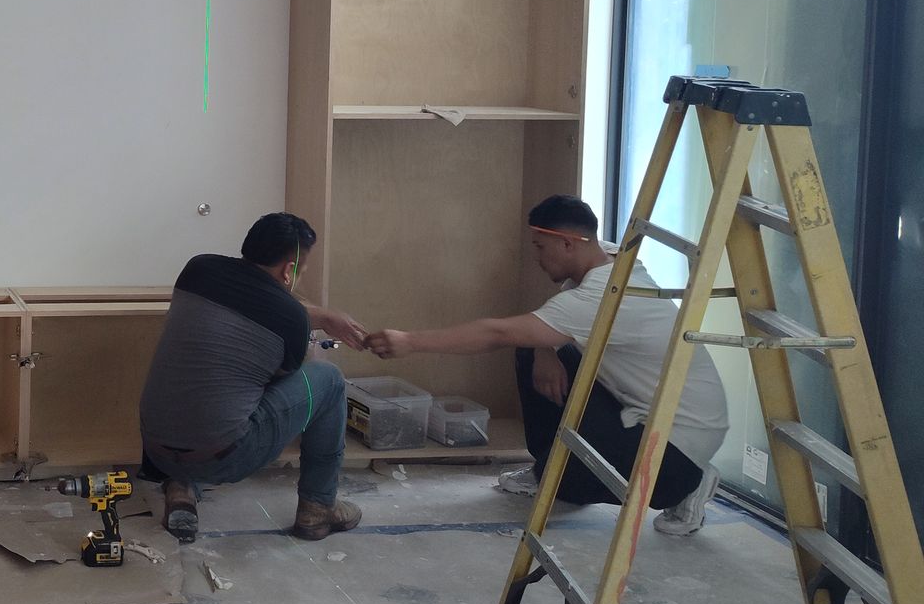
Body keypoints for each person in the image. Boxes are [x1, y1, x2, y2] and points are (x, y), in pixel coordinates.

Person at [367, 194, 728, 536]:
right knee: (532, 350)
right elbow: (551, 316)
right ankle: (547, 467)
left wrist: (410, 341)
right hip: (648, 416)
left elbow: (498, 333)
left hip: (674, 450)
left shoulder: (603, 296)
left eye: (541, 246)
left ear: (568, 243)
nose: (536, 258)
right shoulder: (611, 259)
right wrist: (546, 350)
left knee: (570, 485)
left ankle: (688, 487)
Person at [138, 212, 371, 544]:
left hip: (156, 450)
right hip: (224, 458)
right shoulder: (291, 318)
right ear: (289, 270)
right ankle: (317, 508)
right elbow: (276, 380)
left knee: (205, 385)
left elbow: (254, 304)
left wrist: (321, 317)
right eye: (301, 271)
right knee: (328, 380)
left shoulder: (198, 269)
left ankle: (181, 488)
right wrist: (309, 326)